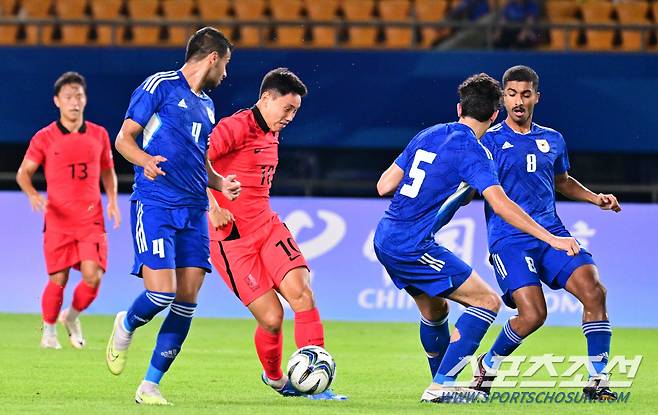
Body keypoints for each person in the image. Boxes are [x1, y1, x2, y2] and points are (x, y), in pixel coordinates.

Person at [373, 73, 580, 403]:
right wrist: (551, 239)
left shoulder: (430, 133)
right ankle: (441, 387)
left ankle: (441, 383)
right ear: (495, 114)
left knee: (435, 310)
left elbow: (384, 185)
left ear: (459, 108)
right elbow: (501, 204)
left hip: (385, 237)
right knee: (487, 302)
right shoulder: (475, 153)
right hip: (413, 244)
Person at [104, 27, 241, 405]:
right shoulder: (159, 86)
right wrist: (145, 161)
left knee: (187, 299)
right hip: (156, 204)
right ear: (212, 57)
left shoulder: (208, 106)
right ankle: (127, 323)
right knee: (161, 293)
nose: (226, 75)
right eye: (226, 64)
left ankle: (149, 384)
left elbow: (200, 159)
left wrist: (218, 185)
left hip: (194, 209)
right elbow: (123, 139)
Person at [471, 65, 620, 401]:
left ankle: (598, 381)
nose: (518, 101)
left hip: (552, 233)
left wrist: (596, 198)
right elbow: (467, 187)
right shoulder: (487, 141)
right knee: (533, 314)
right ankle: (488, 365)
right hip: (509, 238)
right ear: (502, 98)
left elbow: (562, 182)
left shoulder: (552, 139)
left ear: (536, 96)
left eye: (525, 94)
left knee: (594, 292)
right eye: (511, 94)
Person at [206, 68, 346, 400]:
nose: (291, 117)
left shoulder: (272, 130)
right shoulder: (234, 128)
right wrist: (212, 205)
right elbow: (193, 161)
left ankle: (317, 386)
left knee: (302, 294)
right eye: (288, 109)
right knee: (272, 319)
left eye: (295, 111)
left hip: (267, 227)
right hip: (232, 239)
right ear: (266, 98)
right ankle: (275, 378)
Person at [16, 71, 120, 350]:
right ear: (57, 101)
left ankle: (71, 317)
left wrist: (112, 200)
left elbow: (108, 172)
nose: (74, 102)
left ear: (85, 100)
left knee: (93, 276)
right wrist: (32, 194)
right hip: (58, 220)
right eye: (68, 97)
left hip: (90, 219)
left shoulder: (99, 134)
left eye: (79, 96)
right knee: (58, 279)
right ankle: (48, 332)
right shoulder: (44, 138)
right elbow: (23, 173)